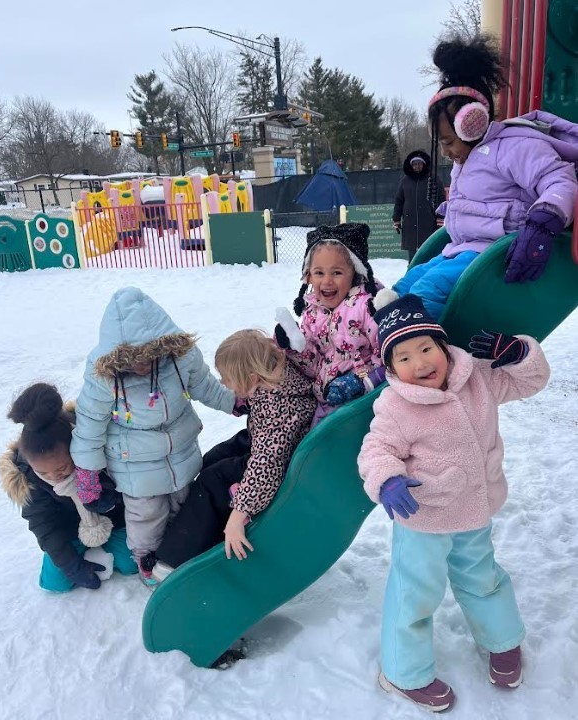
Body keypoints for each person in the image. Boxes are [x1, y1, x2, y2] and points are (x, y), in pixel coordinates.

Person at [357, 292, 550, 712]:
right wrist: (387, 480)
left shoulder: (475, 379)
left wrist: (518, 353)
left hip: (474, 509)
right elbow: (376, 450)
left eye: (427, 348)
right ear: (391, 368)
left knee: (483, 578)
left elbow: (529, 382)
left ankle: (501, 641)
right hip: (422, 516)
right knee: (415, 594)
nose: (421, 363)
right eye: (404, 358)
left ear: (443, 346)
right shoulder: (394, 404)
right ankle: (402, 672)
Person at [383, 35, 578, 321]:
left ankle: (420, 353)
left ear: (472, 123)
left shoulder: (515, 146)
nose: (446, 151)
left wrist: (542, 224)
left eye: (449, 142)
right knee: (404, 287)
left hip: (492, 258)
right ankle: (379, 345)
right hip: (459, 251)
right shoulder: (467, 159)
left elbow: (560, 181)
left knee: (427, 291)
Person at [70, 286, 235, 585]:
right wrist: (88, 471)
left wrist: (235, 403)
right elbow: (90, 423)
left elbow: (205, 387)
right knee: (146, 516)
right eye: (133, 358)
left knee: (183, 506)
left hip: (181, 453)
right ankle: (146, 559)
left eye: (150, 354)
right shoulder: (103, 376)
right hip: (135, 463)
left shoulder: (180, 358)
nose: (142, 364)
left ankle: (179, 555)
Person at [140, 329, 316, 581]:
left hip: (277, 463)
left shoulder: (277, 411)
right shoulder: (274, 379)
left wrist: (239, 514)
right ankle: (198, 527)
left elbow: (266, 467)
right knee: (213, 458)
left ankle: (174, 559)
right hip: (266, 443)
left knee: (213, 481)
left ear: (251, 377)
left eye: (228, 378)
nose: (223, 383)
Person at [0, 383, 137, 592]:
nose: (53, 476)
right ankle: (82, 552)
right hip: (68, 531)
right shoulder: (28, 478)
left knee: (130, 564)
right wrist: (72, 566)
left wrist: (109, 500)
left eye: (62, 467)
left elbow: (128, 488)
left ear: (75, 450)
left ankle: (104, 546)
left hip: (113, 521)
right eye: (43, 473)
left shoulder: (96, 453)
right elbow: (44, 526)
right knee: (56, 584)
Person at [275, 222, 384, 427]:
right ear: (308, 275)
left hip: (362, 404)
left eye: (336, 273)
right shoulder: (312, 311)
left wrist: (363, 382)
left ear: (355, 273)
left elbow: (390, 355)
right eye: (319, 273)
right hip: (324, 401)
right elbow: (314, 364)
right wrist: (294, 347)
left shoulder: (366, 307)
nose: (327, 281)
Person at [392, 150, 445, 263]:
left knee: (429, 252)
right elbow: (399, 201)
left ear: (424, 164)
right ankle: (412, 272)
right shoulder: (405, 181)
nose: (417, 166)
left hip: (428, 223)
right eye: (415, 164)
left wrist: (440, 219)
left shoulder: (433, 179)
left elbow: (441, 199)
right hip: (410, 224)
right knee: (413, 257)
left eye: (419, 163)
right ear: (411, 166)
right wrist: (396, 219)